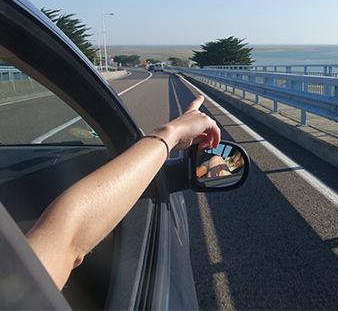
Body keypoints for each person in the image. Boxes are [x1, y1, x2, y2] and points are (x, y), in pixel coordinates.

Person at [25, 95, 220, 290]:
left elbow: (68, 237)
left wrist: (171, 136)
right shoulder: (18, 284)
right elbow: (69, 237)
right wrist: (171, 133)